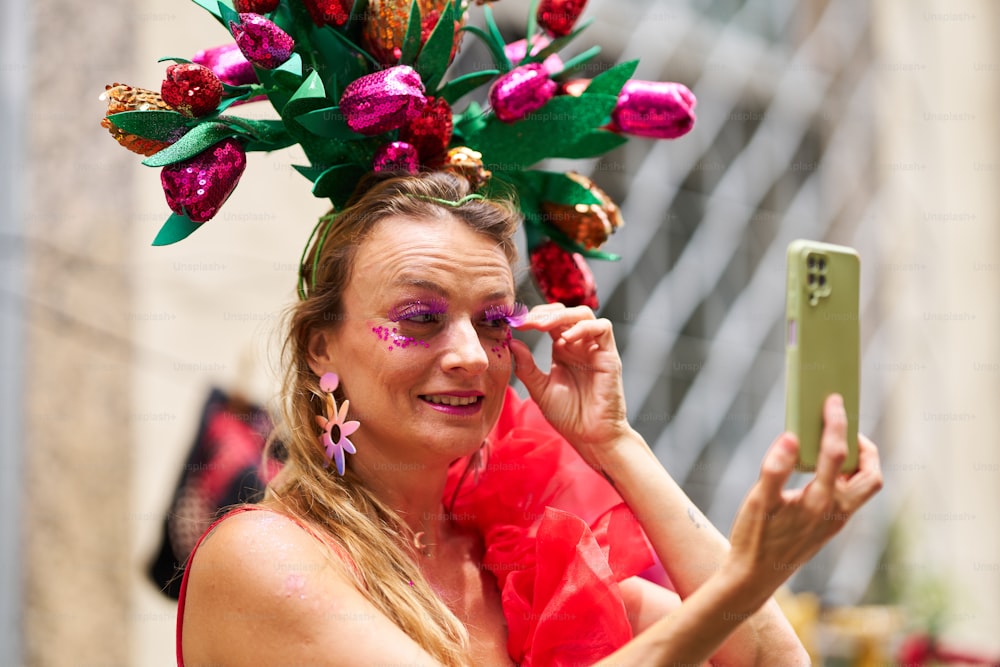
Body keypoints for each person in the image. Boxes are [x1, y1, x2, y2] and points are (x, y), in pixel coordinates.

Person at [175, 171, 883, 666]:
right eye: (419, 318)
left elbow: (769, 662)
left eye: (492, 322)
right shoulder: (263, 558)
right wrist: (745, 578)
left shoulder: (513, 560)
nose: (469, 356)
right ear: (320, 344)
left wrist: (615, 441)